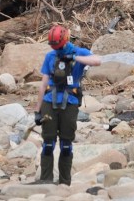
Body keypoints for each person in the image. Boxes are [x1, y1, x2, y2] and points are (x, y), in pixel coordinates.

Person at [33, 24, 101, 185]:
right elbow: (43, 85)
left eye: (58, 45)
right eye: (53, 46)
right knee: (48, 143)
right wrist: (37, 110)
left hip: (70, 102)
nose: (56, 49)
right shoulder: (50, 56)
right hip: (49, 101)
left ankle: (65, 183)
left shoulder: (79, 52)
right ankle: (46, 181)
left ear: (65, 40)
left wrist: (74, 58)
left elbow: (97, 61)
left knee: (65, 144)